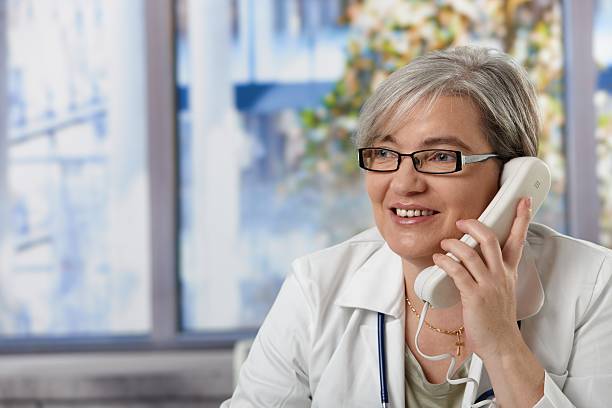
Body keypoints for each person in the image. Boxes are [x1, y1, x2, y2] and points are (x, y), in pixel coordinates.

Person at [220, 46, 612, 407]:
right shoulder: (316, 286)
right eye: (384, 153)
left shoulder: (595, 286)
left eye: (440, 156)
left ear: (513, 177)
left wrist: (503, 345)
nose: (404, 183)